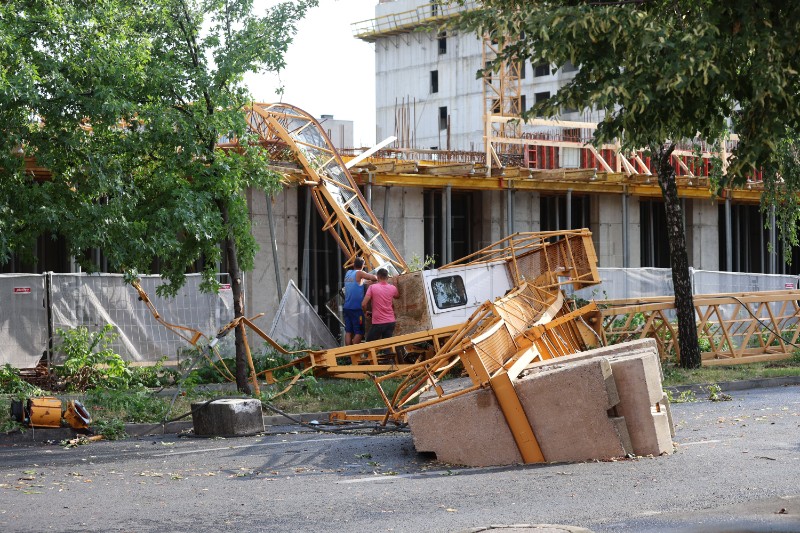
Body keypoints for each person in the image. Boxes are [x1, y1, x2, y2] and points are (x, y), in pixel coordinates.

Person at [343, 258, 377, 345]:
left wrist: (364, 280)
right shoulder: (360, 273)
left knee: (348, 331)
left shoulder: (348, 273)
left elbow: (357, 282)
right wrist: (377, 277)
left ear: (354, 264)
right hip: (356, 309)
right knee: (359, 332)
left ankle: (348, 354)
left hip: (347, 307)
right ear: (362, 266)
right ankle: (354, 353)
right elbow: (373, 278)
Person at [362, 268, 400, 342]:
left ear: (378, 277)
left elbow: (363, 304)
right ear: (388, 277)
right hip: (391, 322)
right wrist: (395, 282)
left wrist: (365, 312)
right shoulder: (392, 288)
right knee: (386, 346)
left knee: (369, 345)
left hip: (378, 323)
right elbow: (397, 296)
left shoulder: (372, 287)